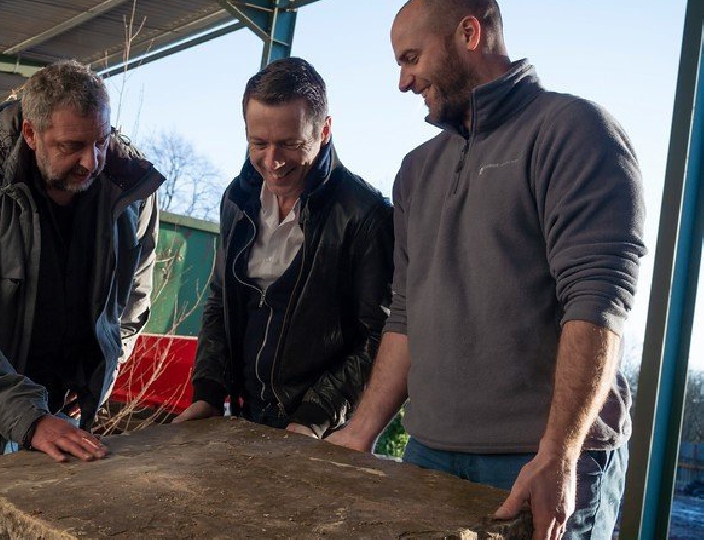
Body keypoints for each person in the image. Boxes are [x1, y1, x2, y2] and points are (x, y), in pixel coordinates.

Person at [326, 1, 645, 538]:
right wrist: (360, 431)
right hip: (429, 453)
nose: (403, 81)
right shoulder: (416, 171)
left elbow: (597, 298)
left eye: (411, 58)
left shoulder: (574, 131)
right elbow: (406, 315)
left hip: (534, 464)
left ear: (469, 33)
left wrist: (560, 453)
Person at [0, 60, 163, 462]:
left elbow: (133, 303)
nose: (92, 162)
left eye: (101, 141)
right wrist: (29, 418)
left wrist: (100, 373)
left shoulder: (130, 188)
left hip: (68, 416)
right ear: (31, 133)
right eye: (72, 147)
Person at [173, 57, 394, 439]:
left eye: (290, 144)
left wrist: (313, 417)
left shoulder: (366, 215)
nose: (272, 162)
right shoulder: (236, 199)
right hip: (242, 418)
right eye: (258, 143)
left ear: (324, 130)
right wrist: (208, 393)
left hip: (322, 433)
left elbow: (377, 336)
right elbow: (220, 302)